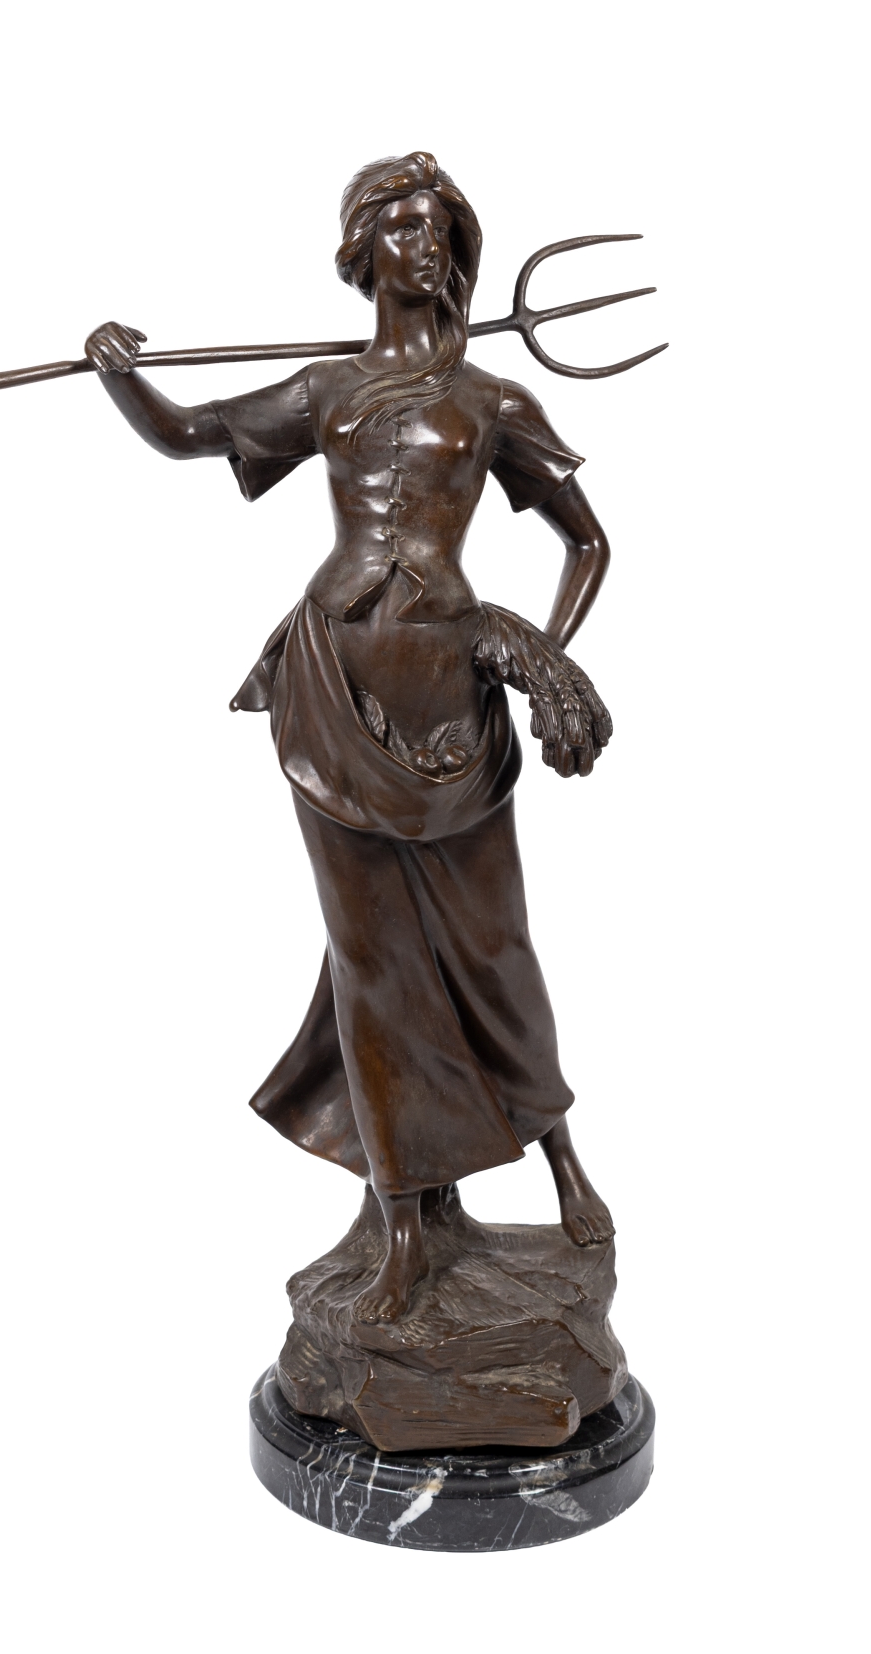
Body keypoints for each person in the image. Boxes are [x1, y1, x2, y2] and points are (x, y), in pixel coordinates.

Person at [86, 153, 616, 1321]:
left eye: (440, 231)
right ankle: (404, 1218)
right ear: (362, 249)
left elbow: (587, 541)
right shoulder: (325, 390)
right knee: (368, 959)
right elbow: (188, 432)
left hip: (449, 700)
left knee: (493, 944)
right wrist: (120, 374)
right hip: (332, 686)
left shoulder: (490, 401)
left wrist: (542, 652)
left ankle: (562, 1159)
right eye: (404, 228)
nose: (425, 247)